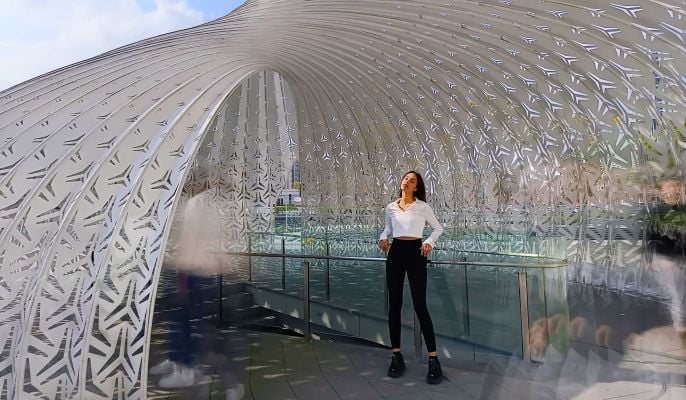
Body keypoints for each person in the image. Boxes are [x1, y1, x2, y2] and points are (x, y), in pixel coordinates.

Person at [378, 170, 445, 384]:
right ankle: (396, 356)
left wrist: (429, 242)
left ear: (417, 187)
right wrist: (383, 238)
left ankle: (433, 360)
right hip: (396, 253)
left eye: (412, 180)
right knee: (395, 305)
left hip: (416, 253)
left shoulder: (422, 207)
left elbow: (438, 228)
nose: (407, 181)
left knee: (420, 305)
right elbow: (388, 228)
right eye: (406, 178)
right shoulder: (390, 207)